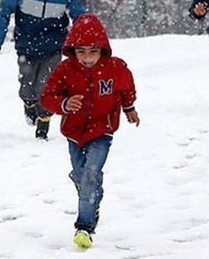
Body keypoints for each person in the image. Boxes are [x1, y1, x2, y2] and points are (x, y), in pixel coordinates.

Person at [40, 13, 140, 249]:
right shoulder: (65, 70)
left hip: (102, 130)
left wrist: (129, 108)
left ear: (103, 50)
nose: (87, 57)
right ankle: (92, 196)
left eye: (93, 51)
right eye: (81, 51)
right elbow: (48, 97)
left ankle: (84, 227)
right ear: (72, 50)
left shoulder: (115, 68)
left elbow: (126, 87)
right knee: (80, 175)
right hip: (74, 132)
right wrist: (64, 104)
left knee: (91, 173)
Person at [0, 0, 86, 140]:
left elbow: (80, 17)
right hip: (26, 46)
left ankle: (44, 122)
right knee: (27, 86)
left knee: (46, 87)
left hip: (53, 48)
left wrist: (85, 42)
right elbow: (3, 11)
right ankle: (28, 104)